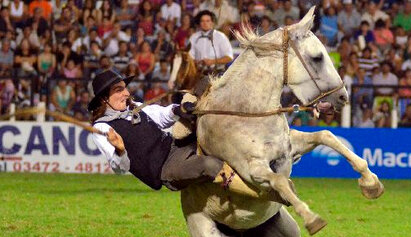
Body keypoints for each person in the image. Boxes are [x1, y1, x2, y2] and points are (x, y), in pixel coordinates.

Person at [89, 69, 282, 201]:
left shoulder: (135, 107)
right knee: (208, 164)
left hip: (175, 146)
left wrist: (179, 109)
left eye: (125, 87)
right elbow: (120, 169)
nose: (126, 93)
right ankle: (266, 196)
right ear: (105, 98)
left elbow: (163, 115)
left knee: (208, 122)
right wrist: (120, 150)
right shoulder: (103, 128)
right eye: (119, 90)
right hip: (165, 169)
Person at [189, 10, 233, 74]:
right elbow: (189, 57)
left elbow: (229, 57)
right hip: (198, 73)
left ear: (212, 23)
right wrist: (195, 62)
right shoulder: (194, 37)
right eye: (202, 21)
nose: (205, 23)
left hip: (217, 73)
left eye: (207, 21)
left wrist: (213, 61)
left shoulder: (220, 36)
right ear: (199, 23)